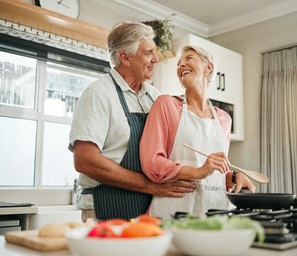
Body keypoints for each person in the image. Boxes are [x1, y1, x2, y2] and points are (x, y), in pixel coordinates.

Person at [68, 22, 196, 222]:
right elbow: (85, 160)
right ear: (125, 57)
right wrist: (147, 185)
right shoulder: (98, 94)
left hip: (148, 206)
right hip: (106, 206)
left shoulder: (154, 96)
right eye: (148, 53)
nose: (156, 59)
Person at [140, 45, 255, 219]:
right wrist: (197, 172)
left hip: (215, 214)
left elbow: (215, 173)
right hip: (174, 212)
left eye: (189, 58)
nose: (181, 65)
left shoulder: (224, 119)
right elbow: (152, 163)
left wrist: (233, 177)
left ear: (208, 68)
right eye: (178, 63)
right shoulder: (166, 105)